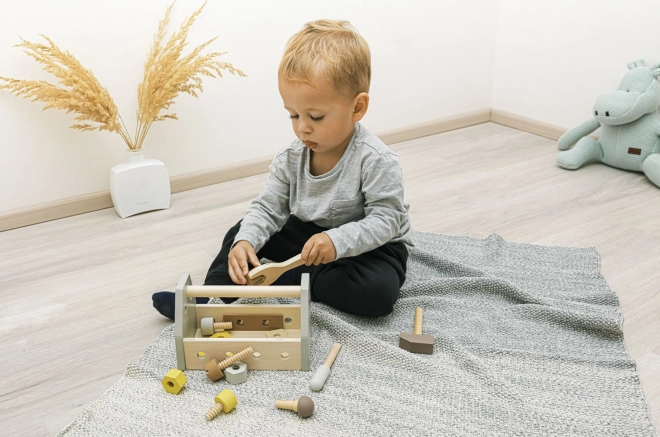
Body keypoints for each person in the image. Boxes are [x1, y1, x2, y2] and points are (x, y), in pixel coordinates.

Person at [153, 19, 414, 320]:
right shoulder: (291, 157)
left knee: (376, 292)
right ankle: (210, 299)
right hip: (307, 236)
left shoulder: (377, 159)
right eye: (293, 114)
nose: (302, 127)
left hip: (370, 246)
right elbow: (268, 206)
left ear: (357, 108)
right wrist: (246, 241)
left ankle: (290, 280)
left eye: (315, 116)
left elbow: (388, 219)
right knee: (240, 232)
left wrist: (337, 242)